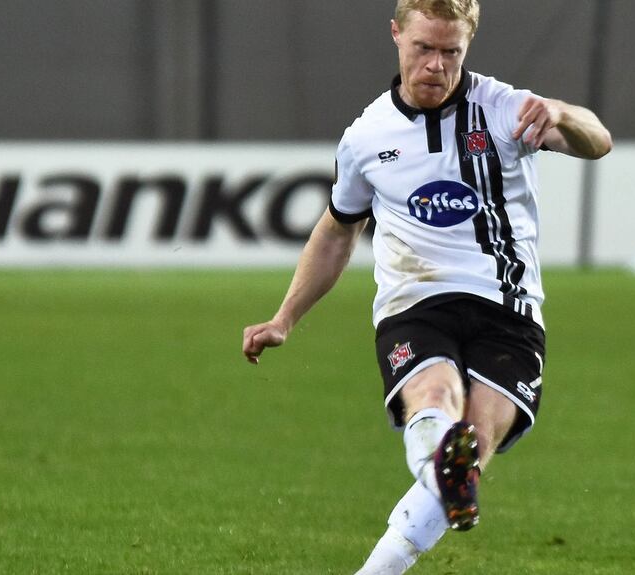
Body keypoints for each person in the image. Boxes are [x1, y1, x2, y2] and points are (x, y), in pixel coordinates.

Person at [241, 1, 612, 572]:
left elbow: (599, 141)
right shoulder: (366, 137)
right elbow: (338, 231)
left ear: (467, 46)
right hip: (416, 303)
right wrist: (285, 317)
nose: (436, 65)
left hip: (508, 307)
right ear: (396, 35)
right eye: (423, 48)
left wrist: (562, 113)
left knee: (473, 445)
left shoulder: (506, 109)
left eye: (450, 52)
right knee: (436, 407)